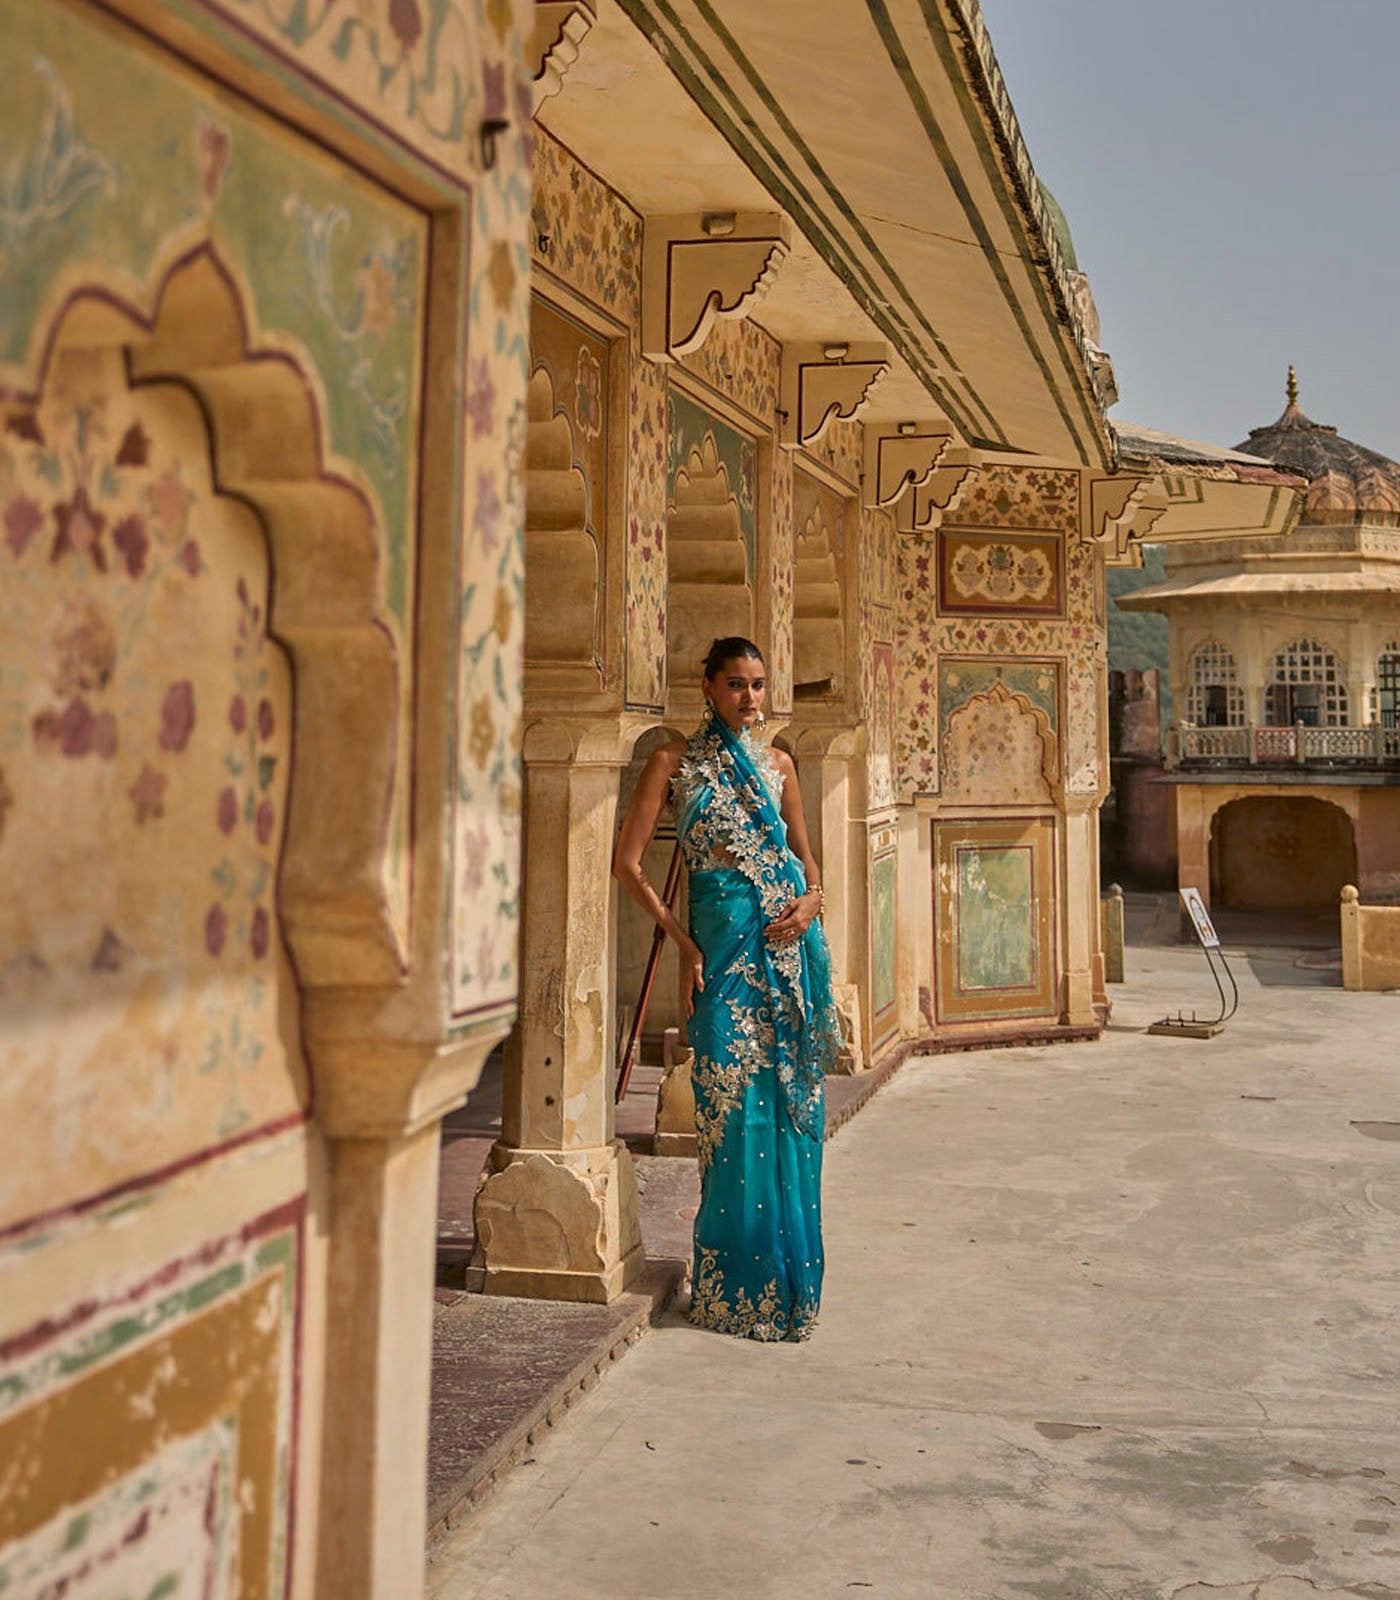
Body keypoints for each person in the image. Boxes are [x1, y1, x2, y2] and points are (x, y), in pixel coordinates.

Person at [613, 637, 840, 1341]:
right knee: (730, 1116)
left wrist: (811, 902)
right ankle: (731, 1290)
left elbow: (806, 860)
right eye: (736, 684)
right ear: (706, 686)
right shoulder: (672, 764)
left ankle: (789, 1290)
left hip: (789, 965)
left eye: (759, 685)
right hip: (724, 964)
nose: (750, 697)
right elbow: (627, 865)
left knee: (789, 1117)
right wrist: (684, 944)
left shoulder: (779, 767)